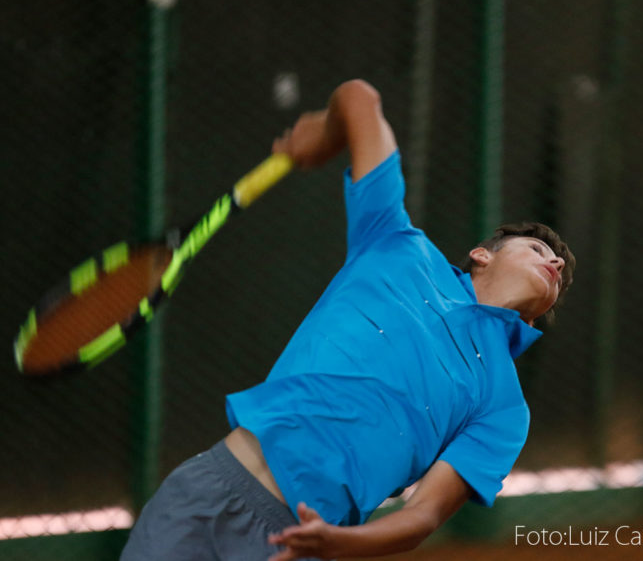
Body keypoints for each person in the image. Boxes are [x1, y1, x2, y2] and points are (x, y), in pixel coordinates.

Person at [120, 79, 575, 561]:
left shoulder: (504, 407)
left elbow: (423, 516)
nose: (555, 263)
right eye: (537, 248)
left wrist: (337, 543)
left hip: (300, 542)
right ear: (482, 254)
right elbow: (360, 99)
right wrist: (326, 132)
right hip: (209, 490)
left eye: (560, 273)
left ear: (538, 316)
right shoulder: (397, 244)